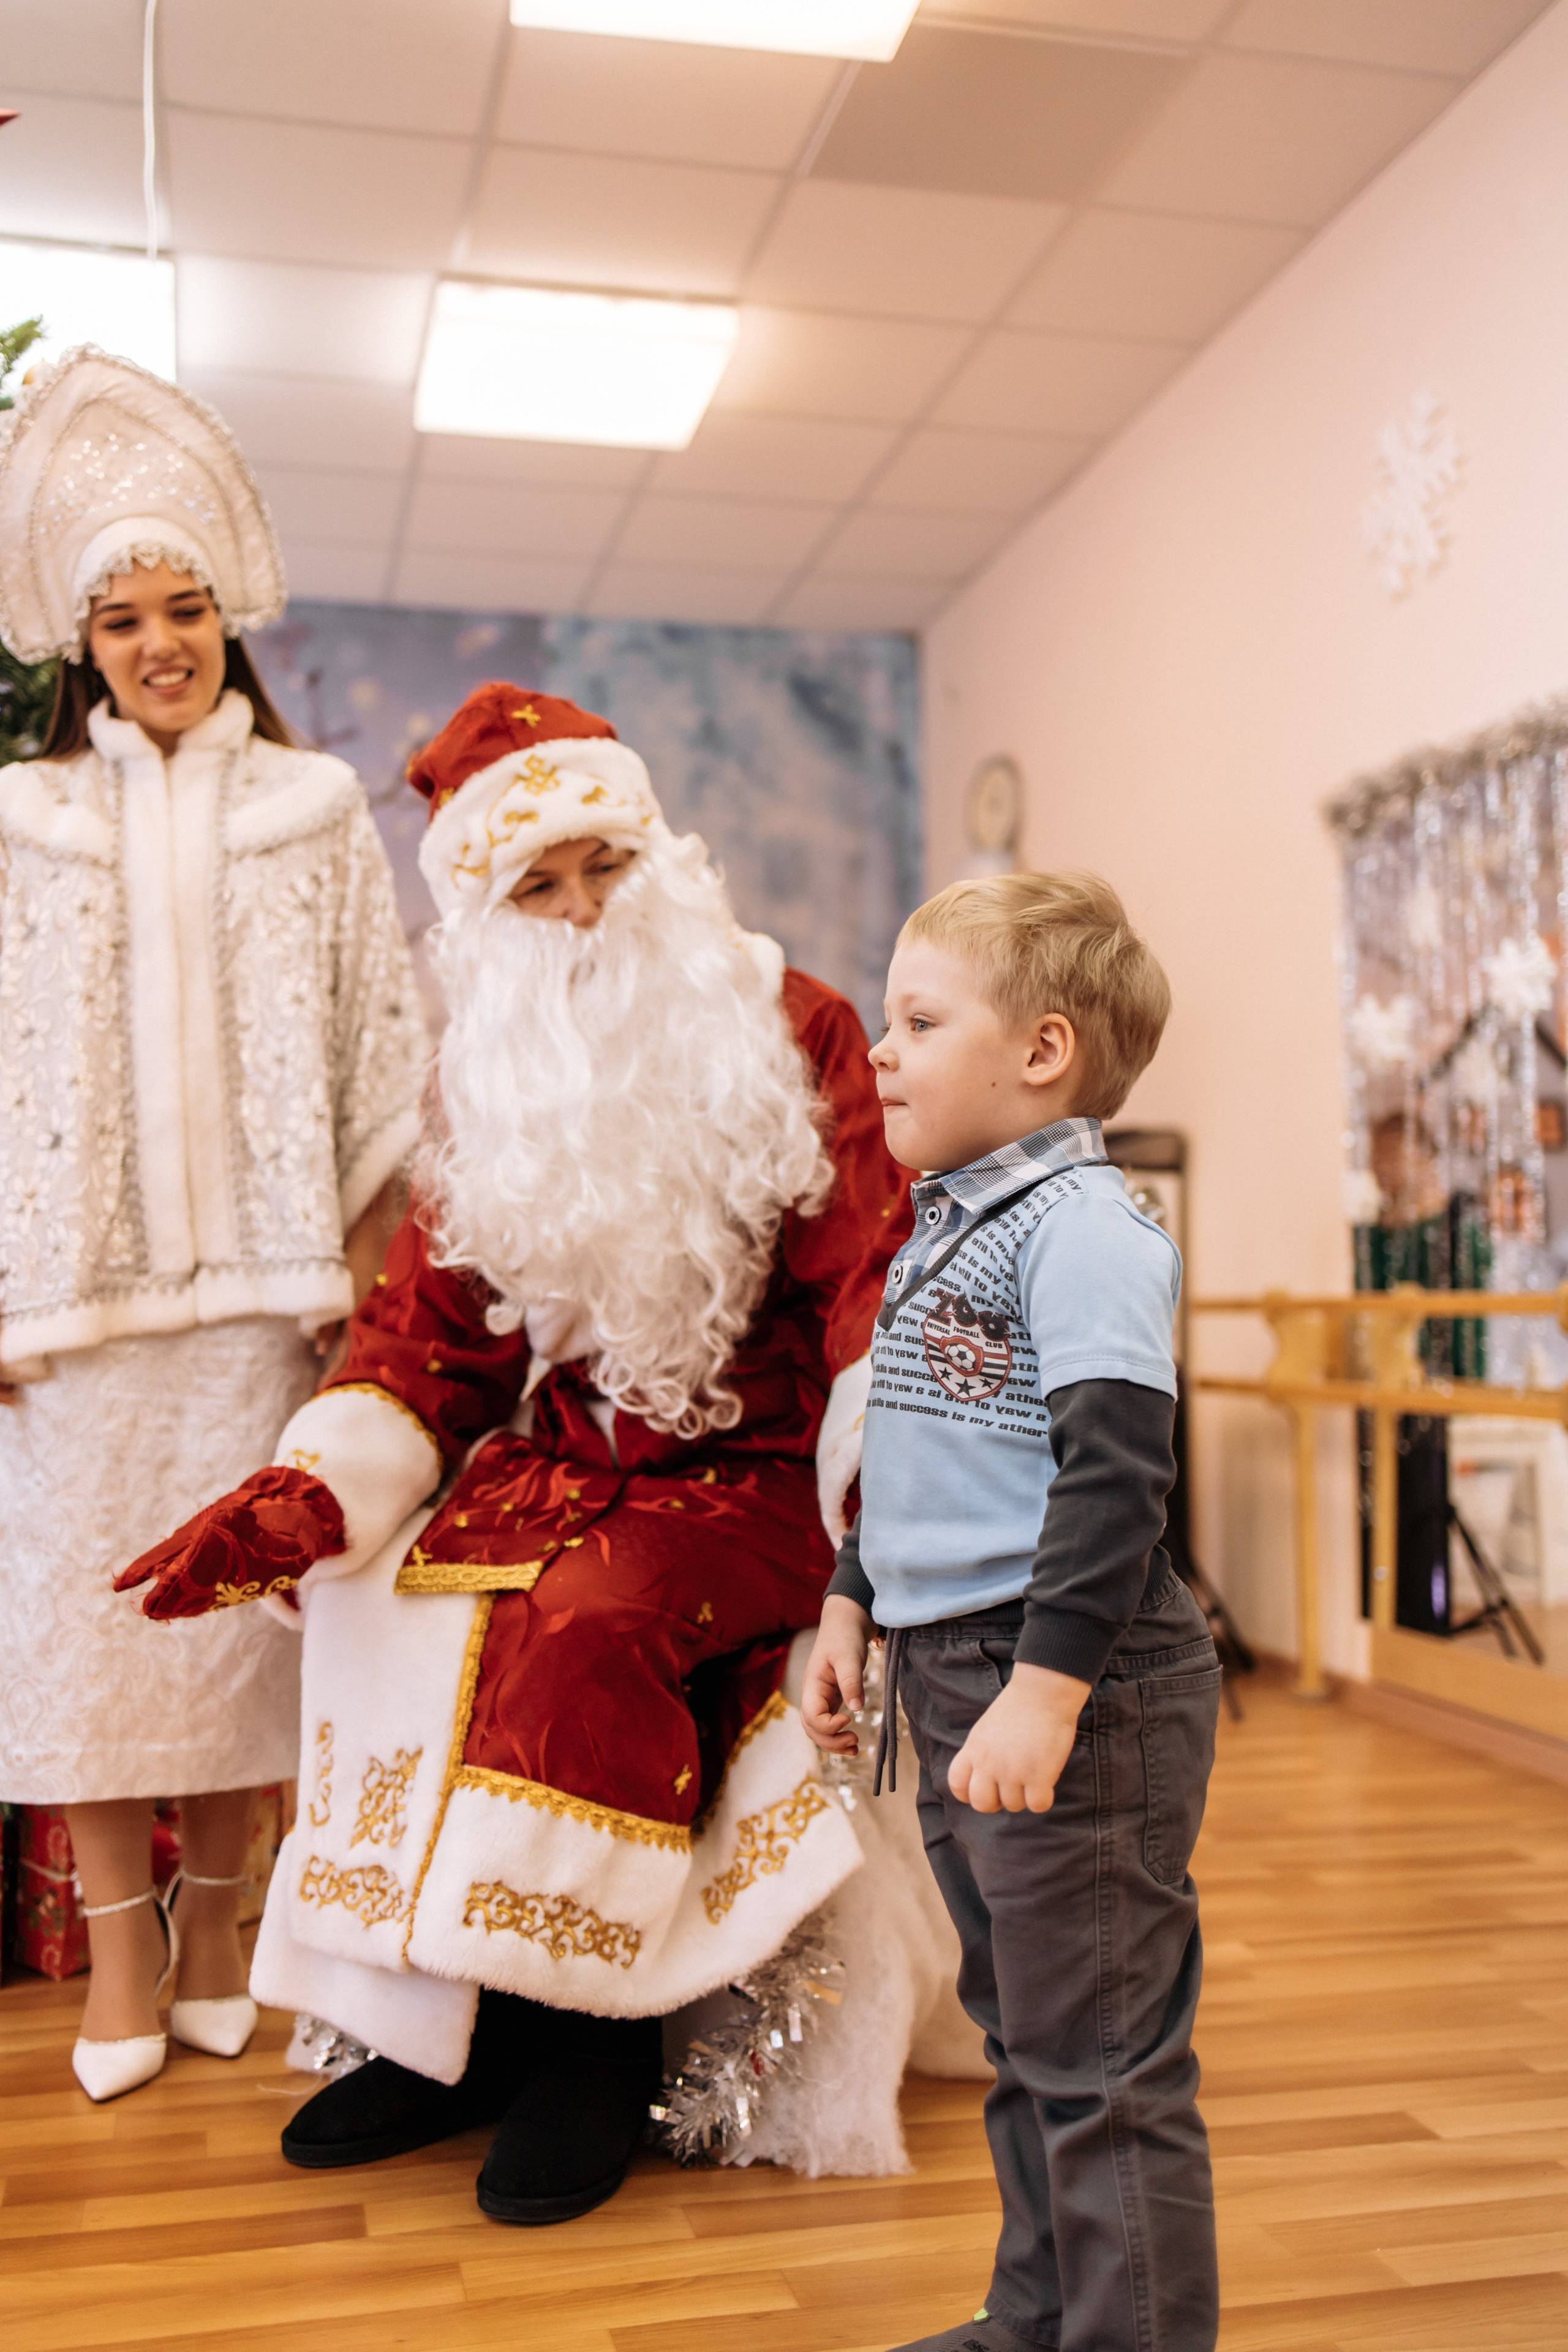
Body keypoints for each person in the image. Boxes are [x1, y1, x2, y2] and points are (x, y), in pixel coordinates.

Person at [117, 682, 913, 2223]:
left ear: (654, 854)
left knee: (583, 1619)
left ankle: (585, 2046)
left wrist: (888, 1492)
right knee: (385, 1593)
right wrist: (312, 1492)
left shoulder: (790, 1023)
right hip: (572, 1451)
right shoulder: (484, 1069)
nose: (578, 911)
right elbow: (431, 1329)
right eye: (533, 887)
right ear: (485, 916)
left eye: (599, 866)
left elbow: (863, 1276)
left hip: (756, 1465)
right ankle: (446, 2035)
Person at [0, 350, 427, 2103]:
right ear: (79, 645)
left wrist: (368, 1291)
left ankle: (230, 1932)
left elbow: (372, 1049)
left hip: (267, 1298)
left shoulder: (312, 815)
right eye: (124, 619)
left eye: (186, 609)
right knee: (84, 1637)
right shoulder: (17, 828)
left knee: (251, 1637)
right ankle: (120, 1953)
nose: (159, 643)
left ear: (226, 623)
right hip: (69, 1313)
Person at [803, 872, 1222, 2352]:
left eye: (919, 1021)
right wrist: (854, 1601)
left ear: (1040, 1053)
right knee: (1028, 2040)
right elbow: (913, 1453)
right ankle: (1035, 2318)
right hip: (953, 1664)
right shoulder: (938, 1229)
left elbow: (1116, 1481)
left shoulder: (1084, 1229)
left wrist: (1041, 1695)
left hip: (1068, 1685)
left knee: (1103, 2062)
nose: (882, 1051)